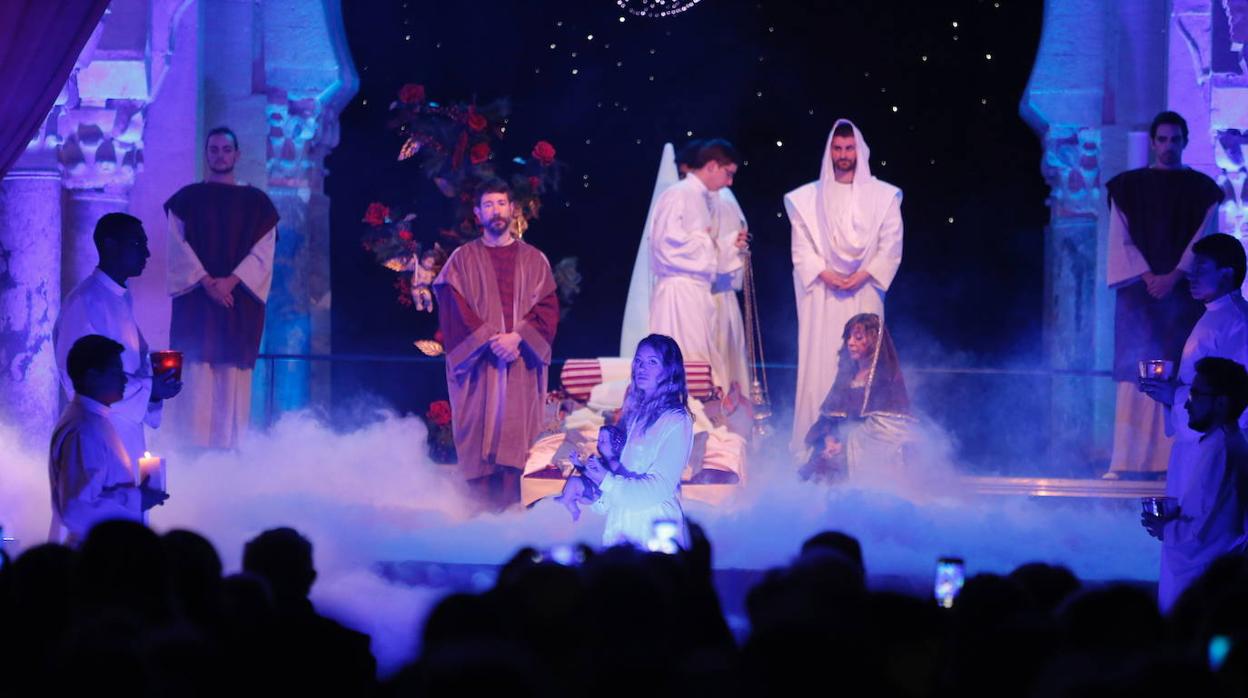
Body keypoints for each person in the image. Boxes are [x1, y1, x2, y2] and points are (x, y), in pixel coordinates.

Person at [1104, 111, 1224, 478]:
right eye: (1163, 139)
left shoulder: (1203, 189)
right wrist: (1147, 275)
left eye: (1175, 139)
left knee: (1180, 369)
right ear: (1153, 142)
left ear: (1185, 141)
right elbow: (1119, 238)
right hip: (1138, 294)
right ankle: (1127, 459)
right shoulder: (1127, 187)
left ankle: (1168, 459)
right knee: (1134, 370)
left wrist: (1174, 276)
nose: (1168, 146)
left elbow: (1203, 239)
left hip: (1181, 294)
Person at [433, 179, 560, 511]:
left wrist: (517, 337)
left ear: (512, 209)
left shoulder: (535, 260)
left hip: (520, 360)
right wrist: (491, 339)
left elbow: (546, 307)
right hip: (480, 365)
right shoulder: (461, 260)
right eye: (488, 205)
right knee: (479, 434)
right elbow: (452, 304)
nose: (496, 210)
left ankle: (517, 520)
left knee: (518, 434)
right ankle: (479, 520)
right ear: (478, 213)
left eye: (501, 203)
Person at [787, 119, 903, 455]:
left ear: (859, 150)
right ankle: (815, 448)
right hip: (824, 295)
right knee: (822, 364)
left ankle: (863, 449)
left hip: (863, 291)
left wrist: (864, 275)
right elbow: (802, 248)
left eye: (849, 148)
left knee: (865, 364)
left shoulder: (883, 196)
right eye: (837, 148)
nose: (843, 155)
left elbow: (891, 244)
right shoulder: (807, 199)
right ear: (830, 151)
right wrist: (827, 276)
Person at [164, 126, 280, 449]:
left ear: (237, 155)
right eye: (213, 149)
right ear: (206, 154)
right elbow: (177, 247)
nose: (220, 155)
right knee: (197, 374)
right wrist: (206, 282)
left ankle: (230, 458)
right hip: (198, 305)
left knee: (232, 379)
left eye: (226, 149)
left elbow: (263, 252)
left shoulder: (258, 204)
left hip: (236, 304)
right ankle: (192, 453)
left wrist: (229, 282)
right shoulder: (186, 199)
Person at [53, 213, 182, 472]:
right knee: (103, 503)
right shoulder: (85, 302)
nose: (147, 253)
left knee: (130, 501)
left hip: (125, 428)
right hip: (98, 430)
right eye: (138, 244)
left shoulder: (121, 298)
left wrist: (156, 383)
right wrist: (149, 388)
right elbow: (77, 378)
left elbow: (139, 358)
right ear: (110, 245)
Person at [1141, 357, 1248, 611]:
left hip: (1204, 578)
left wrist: (1165, 529)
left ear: (1222, 402)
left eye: (1196, 394)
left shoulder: (1220, 451)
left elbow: (1205, 527)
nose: (1187, 403)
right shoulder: (1225, 443)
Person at [48, 335, 167, 545]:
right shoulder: (84, 430)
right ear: (92, 376)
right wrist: (136, 498)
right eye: (117, 372)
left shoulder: (96, 419)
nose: (124, 380)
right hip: (96, 555)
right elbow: (76, 509)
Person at [648, 140, 748, 389]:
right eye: (728, 173)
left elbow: (704, 251)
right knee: (684, 360)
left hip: (697, 293)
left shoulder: (701, 198)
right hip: (679, 294)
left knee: (701, 362)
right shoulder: (678, 194)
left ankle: (700, 420)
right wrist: (707, 240)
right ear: (713, 166)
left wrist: (728, 246)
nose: (729, 182)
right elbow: (664, 245)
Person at [580, 334, 695, 549]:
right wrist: (593, 493)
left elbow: (658, 488)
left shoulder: (677, 420)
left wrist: (606, 480)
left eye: (653, 362)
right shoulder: (634, 413)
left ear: (670, 370)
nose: (642, 368)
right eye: (639, 361)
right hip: (621, 528)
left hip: (655, 532)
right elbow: (621, 471)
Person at [800, 313, 912, 483]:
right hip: (837, 445)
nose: (851, 343)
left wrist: (845, 447)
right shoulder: (848, 375)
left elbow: (885, 429)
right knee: (812, 468)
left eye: (858, 338)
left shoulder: (884, 379)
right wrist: (829, 441)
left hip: (865, 450)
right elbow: (830, 417)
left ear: (874, 341)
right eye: (849, 337)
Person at [558, 424, 626, 521]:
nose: (600, 442)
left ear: (615, 445)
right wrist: (577, 463)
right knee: (570, 487)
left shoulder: (613, 463)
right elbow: (585, 472)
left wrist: (592, 466)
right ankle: (574, 509)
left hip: (593, 491)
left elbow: (606, 477)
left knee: (573, 481)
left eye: (604, 440)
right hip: (586, 486)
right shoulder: (598, 459)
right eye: (599, 440)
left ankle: (567, 501)